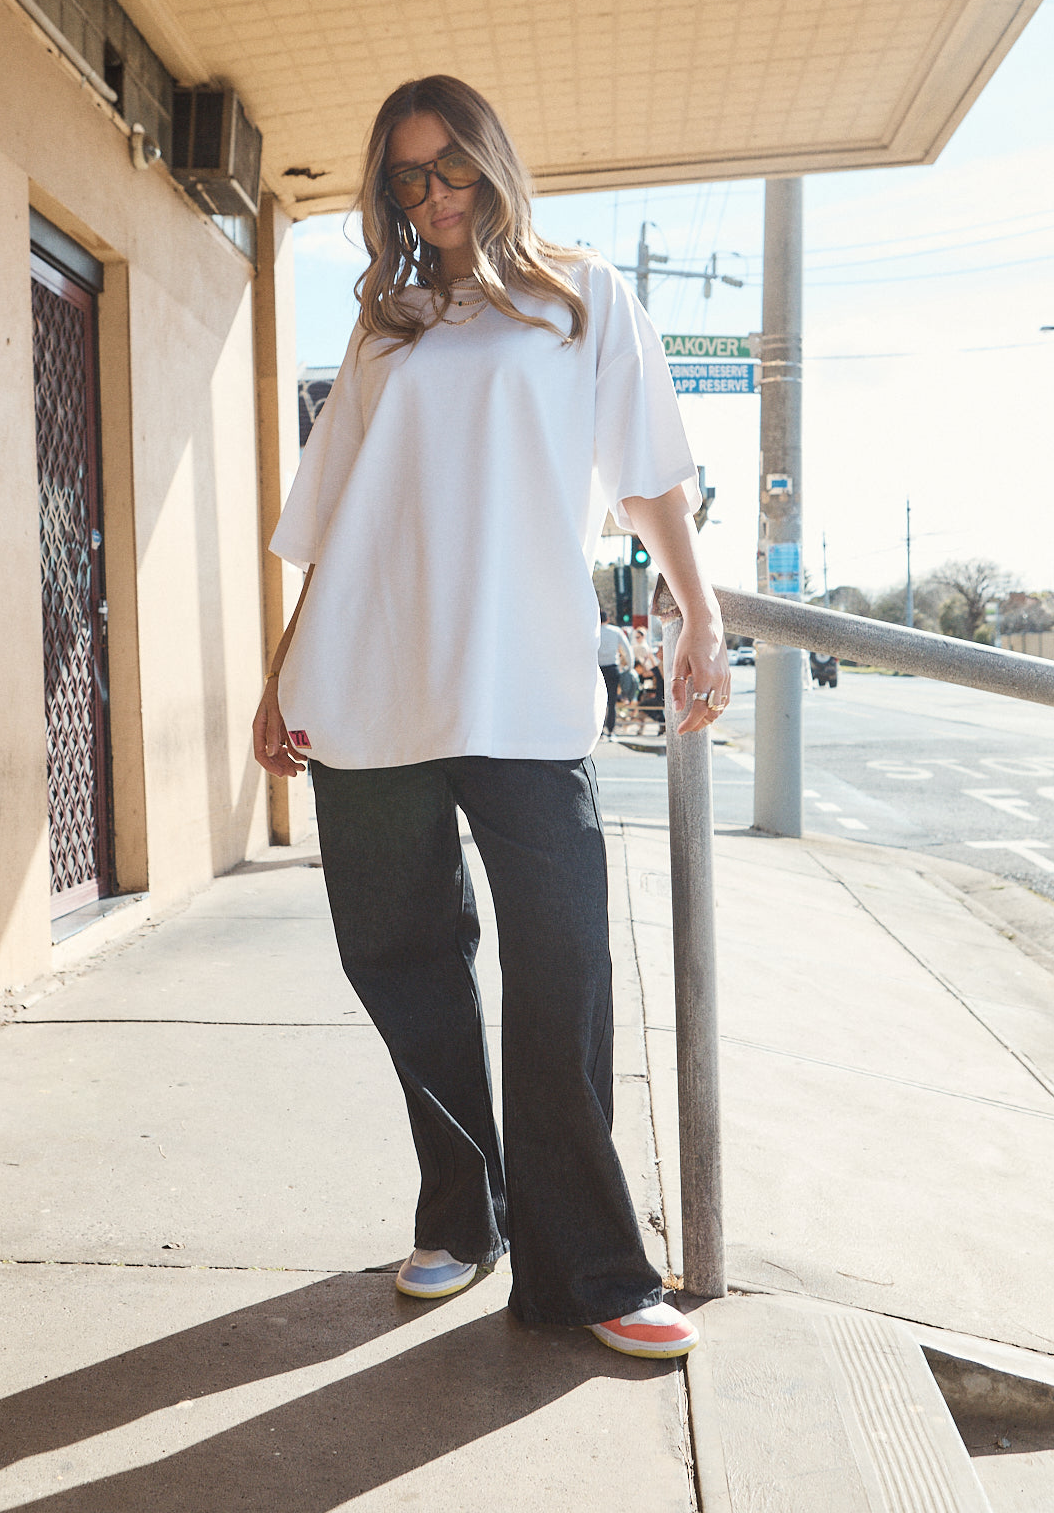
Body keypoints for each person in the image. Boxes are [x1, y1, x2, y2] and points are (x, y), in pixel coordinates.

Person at [253, 75, 730, 1360]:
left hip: (520, 694)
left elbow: (647, 473)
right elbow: (327, 521)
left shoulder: (581, 299)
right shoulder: (387, 326)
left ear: (490, 158)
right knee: (402, 960)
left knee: (563, 965)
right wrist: (280, 675)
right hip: (365, 686)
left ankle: (591, 1268)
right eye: (405, 178)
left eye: (448, 163)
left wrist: (697, 614)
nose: (433, 194)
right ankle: (463, 1214)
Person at [597, 610, 633, 736]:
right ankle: (611, 730)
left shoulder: (593, 632)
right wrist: (629, 666)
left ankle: (598, 730)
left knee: (597, 700)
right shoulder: (616, 631)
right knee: (611, 702)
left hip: (598, 669)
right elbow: (627, 649)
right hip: (613, 668)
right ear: (608, 619)